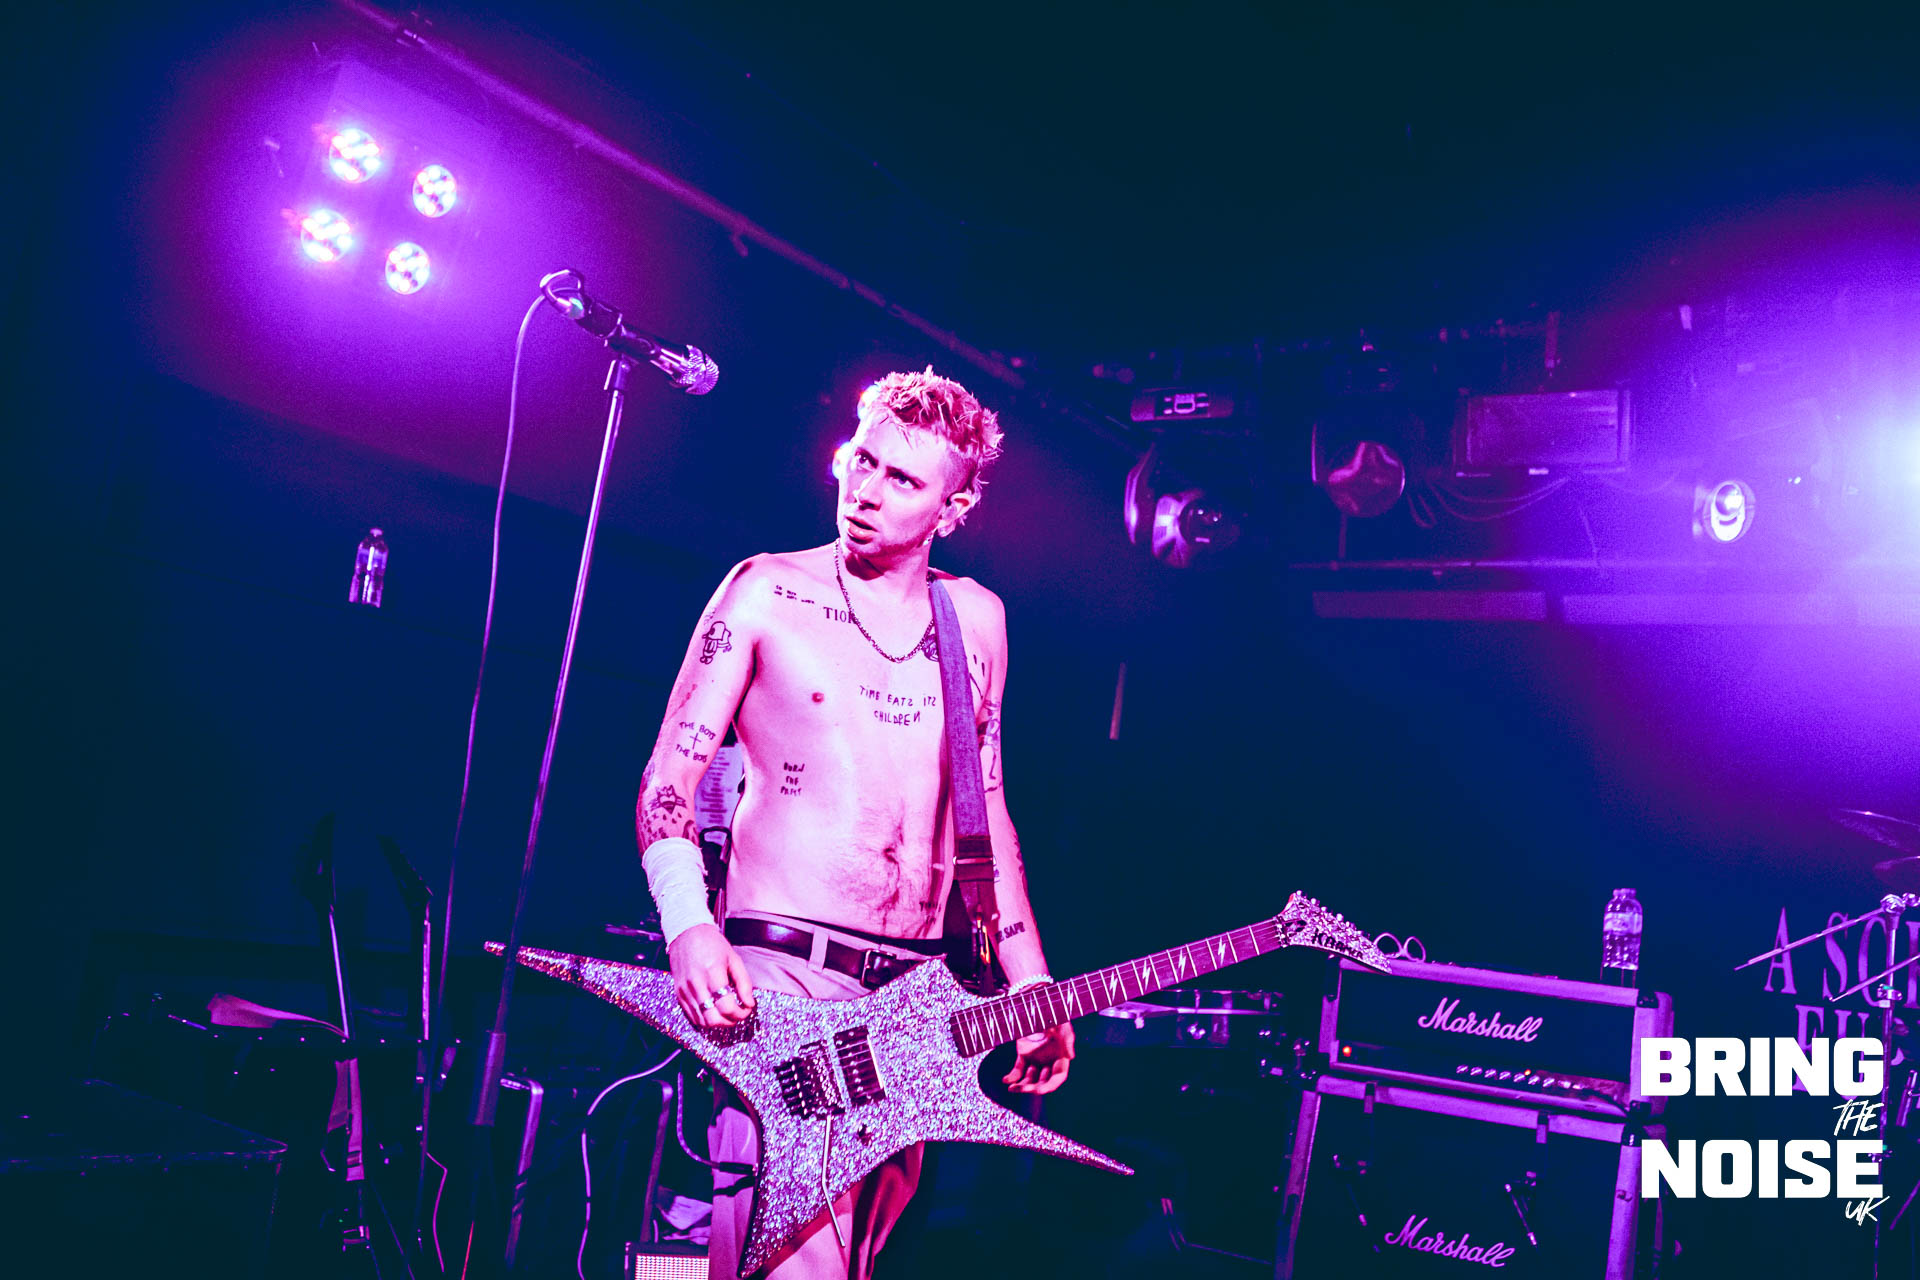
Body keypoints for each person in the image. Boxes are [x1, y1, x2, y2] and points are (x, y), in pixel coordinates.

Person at [634, 368, 1072, 1279]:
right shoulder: (765, 590)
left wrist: (1030, 981)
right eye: (861, 460)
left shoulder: (975, 620)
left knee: (858, 1259)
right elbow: (669, 778)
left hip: (916, 997)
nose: (866, 490)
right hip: (785, 977)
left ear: (953, 507)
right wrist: (688, 927)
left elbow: (987, 814)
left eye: (902, 478)